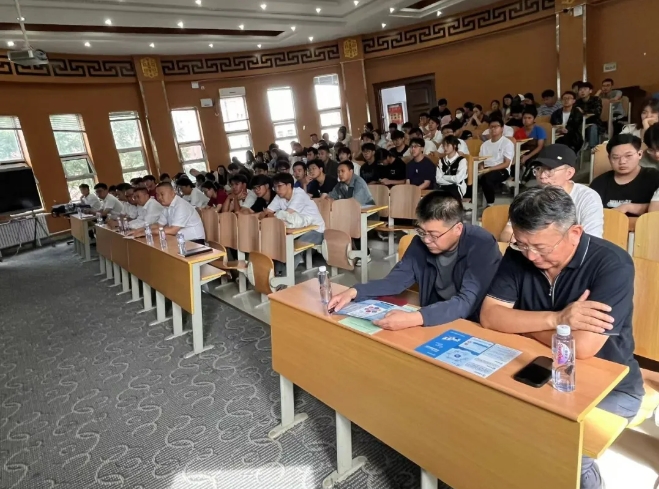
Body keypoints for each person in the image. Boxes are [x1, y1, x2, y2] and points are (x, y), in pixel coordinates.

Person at [480, 186, 643, 489]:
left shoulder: (612, 264)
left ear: (575, 233)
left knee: (562, 449)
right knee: (485, 421)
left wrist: (520, 323)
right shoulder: (519, 254)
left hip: (609, 388)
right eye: (522, 244)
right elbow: (490, 316)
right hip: (535, 369)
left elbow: (583, 348)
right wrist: (557, 320)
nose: (531, 256)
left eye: (541, 247)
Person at [328, 193, 500, 329]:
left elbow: (467, 302)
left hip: (473, 322)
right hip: (433, 316)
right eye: (422, 232)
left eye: (433, 235)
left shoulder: (481, 244)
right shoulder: (420, 243)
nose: (426, 240)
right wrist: (354, 292)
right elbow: (395, 281)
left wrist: (414, 318)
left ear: (458, 229)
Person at [500, 145, 603, 242]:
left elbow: (592, 240)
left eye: (550, 170)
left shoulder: (587, 197)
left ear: (569, 173)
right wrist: (529, 245)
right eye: (538, 169)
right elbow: (507, 233)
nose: (542, 176)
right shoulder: (531, 197)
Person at [262, 172, 325, 272]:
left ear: (289, 185)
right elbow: (266, 213)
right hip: (297, 230)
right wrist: (274, 215)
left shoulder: (299, 195)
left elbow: (286, 216)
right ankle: (275, 273)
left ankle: (285, 276)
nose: (277, 190)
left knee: (293, 248)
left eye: (279, 186)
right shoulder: (279, 196)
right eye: (275, 187)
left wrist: (274, 215)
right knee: (278, 244)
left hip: (316, 230)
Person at [590, 134, 659, 216]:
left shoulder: (654, 177)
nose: (622, 161)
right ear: (609, 158)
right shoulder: (599, 183)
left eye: (628, 156)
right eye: (616, 157)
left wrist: (628, 207)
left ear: (639, 154)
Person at [130, 183, 205, 243]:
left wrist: (147, 232)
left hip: (194, 241)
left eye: (162, 194)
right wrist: (140, 230)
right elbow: (158, 225)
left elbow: (173, 230)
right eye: (157, 195)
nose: (159, 197)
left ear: (172, 193)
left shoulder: (181, 205)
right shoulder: (166, 206)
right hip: (179, 239)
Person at [479, 117, 515, 206]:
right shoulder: (484, 145)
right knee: (469, 176)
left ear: (502, 128)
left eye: (496, 126)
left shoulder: (507, 143)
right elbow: (481, 161)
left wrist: (490, 169)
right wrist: (481, 169)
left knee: (487, 178)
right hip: (487, 169)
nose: (493, 129)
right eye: (491, 127)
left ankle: (490, 204)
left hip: (501, 170)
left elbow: (506, 163)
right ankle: (469, 202)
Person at [514, 108, 547, 181]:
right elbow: (516, 147)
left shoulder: (539, 130)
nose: (526, 120)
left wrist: (527, 157)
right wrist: (521, 156)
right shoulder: (518, 132)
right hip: (523, 153)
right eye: (524, 118)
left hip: (537, 153)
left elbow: (540, 146)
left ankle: (524, 181)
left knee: (531, 162)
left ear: (534, 119)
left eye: (529, 118)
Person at [551, 90, 584, 154]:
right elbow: (552, 125)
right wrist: (558, 129)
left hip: (573, 137)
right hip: (558, 136)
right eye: (564, 98)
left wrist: (565, 130)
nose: (566, 100)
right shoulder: (556, 113)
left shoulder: (577, 113)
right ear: (561, 101)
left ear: (574, 101)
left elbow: (575, 126)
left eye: (569, 98)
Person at [435, 135, 467, 201]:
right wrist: (452, 180)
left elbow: (458, 179)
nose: (445, 148)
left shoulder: (461, 160)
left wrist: (444, 177)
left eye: (447, 145)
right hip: (443, 187)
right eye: (444, 146)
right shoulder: (441, 161)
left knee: (449, 197)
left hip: (457, 188)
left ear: (454, 146)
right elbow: (438, 179)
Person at [575, 81, 603, 148]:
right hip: (581, 124)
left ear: (590, 91)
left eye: (585, 89)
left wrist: (583, 112)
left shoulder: (596, 99)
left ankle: (593, 148)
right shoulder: (577, 102)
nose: (582, 91)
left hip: (594, 123)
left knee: (592, 127)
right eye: (580, 90)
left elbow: (597, 112)